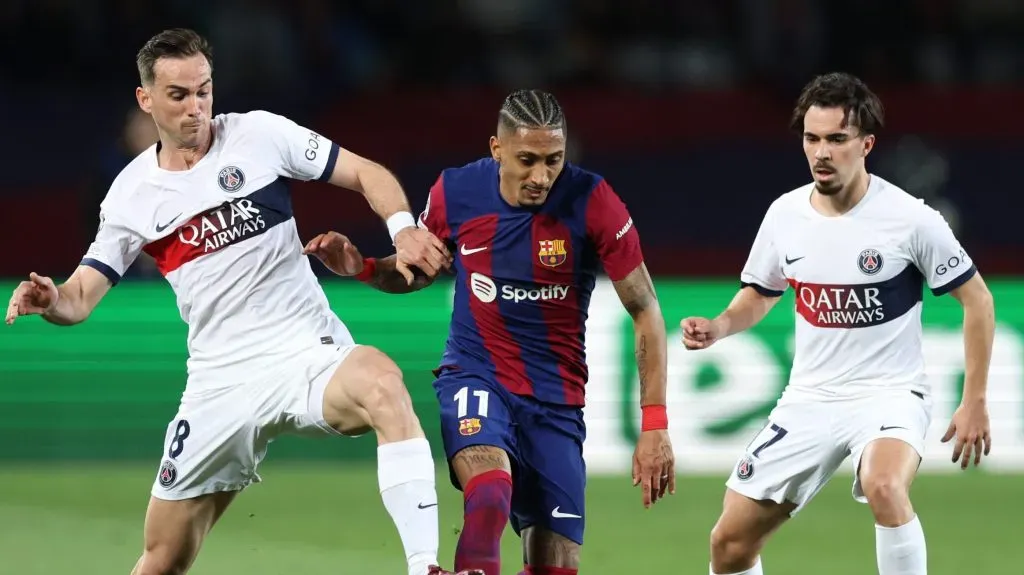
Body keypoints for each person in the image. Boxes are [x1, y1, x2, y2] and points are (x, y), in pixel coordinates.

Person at [4, 28, 479, 575]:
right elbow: (82, 297)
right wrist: (51, 298)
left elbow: (365, 172)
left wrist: (401, 228)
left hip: (306, 350)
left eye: (204, 91)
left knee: (384, 382)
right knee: (163, 557)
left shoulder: (260, 136)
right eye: (179, 95)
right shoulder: (130, 195)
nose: (196, 108)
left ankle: (424, 566)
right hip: (220, 382)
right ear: (146, 100)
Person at [303, 89, 677, 575]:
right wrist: (366, 267)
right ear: (497, 149)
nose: (542, 176)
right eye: (527, 160)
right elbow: (415, 272)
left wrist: (654, 425)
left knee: (556, 566)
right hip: (475, 374)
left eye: (553, 160)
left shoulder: (593, 201)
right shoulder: (456, 192)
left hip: (555, 400)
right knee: (490, 487)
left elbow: (646, 308)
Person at [680, 72, 995, 575]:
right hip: (810, 399)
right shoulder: (785, 215)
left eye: (836, 139)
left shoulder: (912, 220)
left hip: (890, 394)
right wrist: (720, 326)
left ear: (866, 144)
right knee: (729, 544)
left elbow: (978, 301)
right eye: (812, 138)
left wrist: (974, 401)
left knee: (884, 485)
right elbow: (761, 294)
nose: (821, 152)